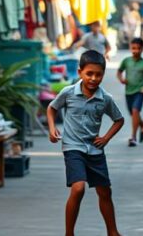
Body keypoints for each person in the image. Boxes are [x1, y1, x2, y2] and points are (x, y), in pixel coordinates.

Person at [48, 50, 125, 236]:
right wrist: (52, 129)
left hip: (95, 150)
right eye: (89, 73)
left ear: (103, 75)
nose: (93, 78)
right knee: (78, 187)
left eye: (98, 74)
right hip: (73, 148)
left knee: (105, 192)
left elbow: (119, 119)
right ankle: (69, 233)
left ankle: (112, 231)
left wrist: (106, 138)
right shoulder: (68, 93)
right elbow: (51, 108)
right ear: (80, 72)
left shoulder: (105, 98)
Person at [117, 38, 143, 147]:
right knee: (133, 114)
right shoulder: (126, 61)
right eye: (133, 48)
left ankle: (133, 137)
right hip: (128, 91)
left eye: (138, 48)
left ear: (142, 49)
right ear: (130, 48)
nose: (136, 51)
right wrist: (121, 79)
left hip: (140, 91)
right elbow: (119, 72)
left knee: (135, 111)